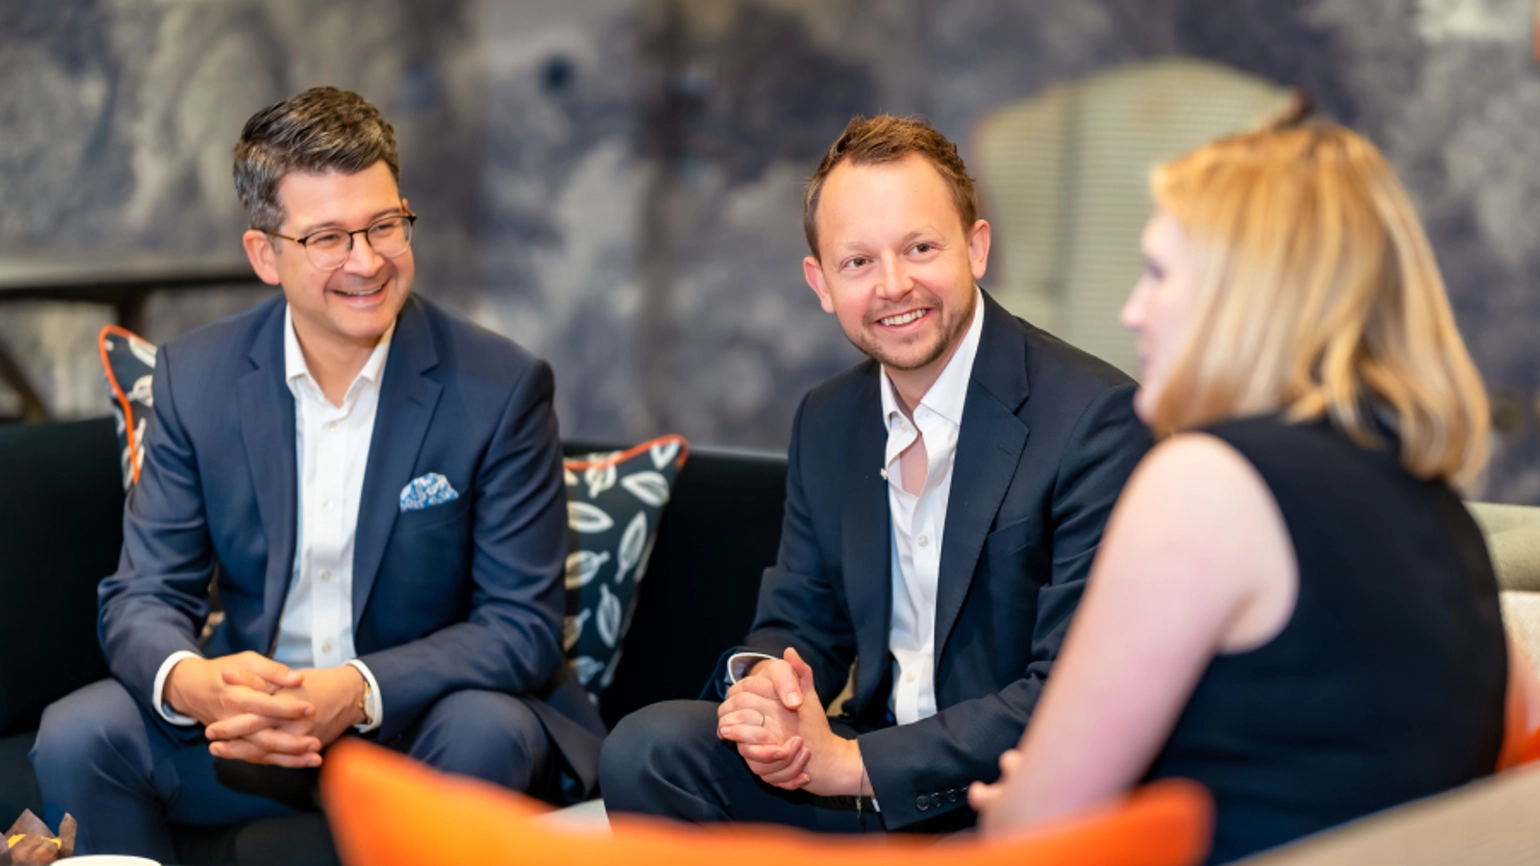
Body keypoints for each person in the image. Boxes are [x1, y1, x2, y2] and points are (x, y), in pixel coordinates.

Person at [30, 86, 604, 858]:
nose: (366, 262)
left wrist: (357, 691)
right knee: (78, 732)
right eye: (328, 237)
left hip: (416, 722)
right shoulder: (196, 377)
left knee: (487, 729)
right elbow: (143, 594)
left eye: (384, 226)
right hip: (251, 728)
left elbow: (521, 626)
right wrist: (193, 683)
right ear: (265, 254)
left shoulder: (500, 387)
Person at [971, 122, 1540, 864]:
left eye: (1159, 273)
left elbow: (1037, 828)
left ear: (1245, 293)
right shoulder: (1437, 511)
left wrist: (1017, 796)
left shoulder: (1205, 482)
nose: (1132, 310)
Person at [600, 115, 1150, 833]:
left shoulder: (1094, 418)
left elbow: (1069, 697)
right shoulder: (828, 419)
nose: (894, 285)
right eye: (857, 262)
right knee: (649, 750)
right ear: (821, 282)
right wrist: (769, 689)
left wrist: (853, 768)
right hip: (867, 781)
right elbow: (801, 618)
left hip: (1003, 801)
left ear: (976, 248)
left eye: (920, 248)